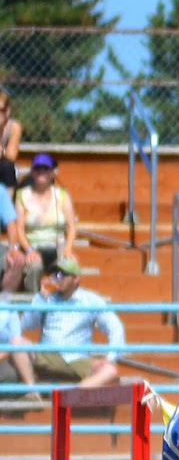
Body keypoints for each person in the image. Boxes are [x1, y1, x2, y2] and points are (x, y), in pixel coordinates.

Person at [17, 259, 123, 389]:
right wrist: (41, 298)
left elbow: (115, 327)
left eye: (62, 275)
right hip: (47, 355)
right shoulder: (46, 298)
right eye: (54, 274)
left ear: (76, 279)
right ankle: (32, 392)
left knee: (110, 371)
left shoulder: (90, 300)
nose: (57, 278)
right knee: (17, 343)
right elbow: (27, 324)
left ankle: (71, 395)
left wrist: (110, 358)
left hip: (77, 359)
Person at [11, 154, 77, 293]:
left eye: (45, 169)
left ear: (52, 172)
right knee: (34, 267)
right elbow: (19, 228)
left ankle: (64, 300)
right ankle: (34, 299)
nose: (41, 172)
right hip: (33, 246)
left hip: (57, 246)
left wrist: (68, 249)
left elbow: (71, 226)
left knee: (71, 266)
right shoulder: (22, 195)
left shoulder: (62, 195)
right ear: (32, 171)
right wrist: (29, 250)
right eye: (38, 168)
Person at [0, 304, 39, 401]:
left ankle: (32, 391)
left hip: (6, 357)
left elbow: (17, 339)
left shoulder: (8, 308)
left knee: (14, 373)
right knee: (11, 374)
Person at [0, 89, 21, 189]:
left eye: (1, 110)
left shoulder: (13, 127)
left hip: (3, 165)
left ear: (8, 111)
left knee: (7, 166)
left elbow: (11, 156)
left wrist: (2, 152)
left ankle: (8, 198)